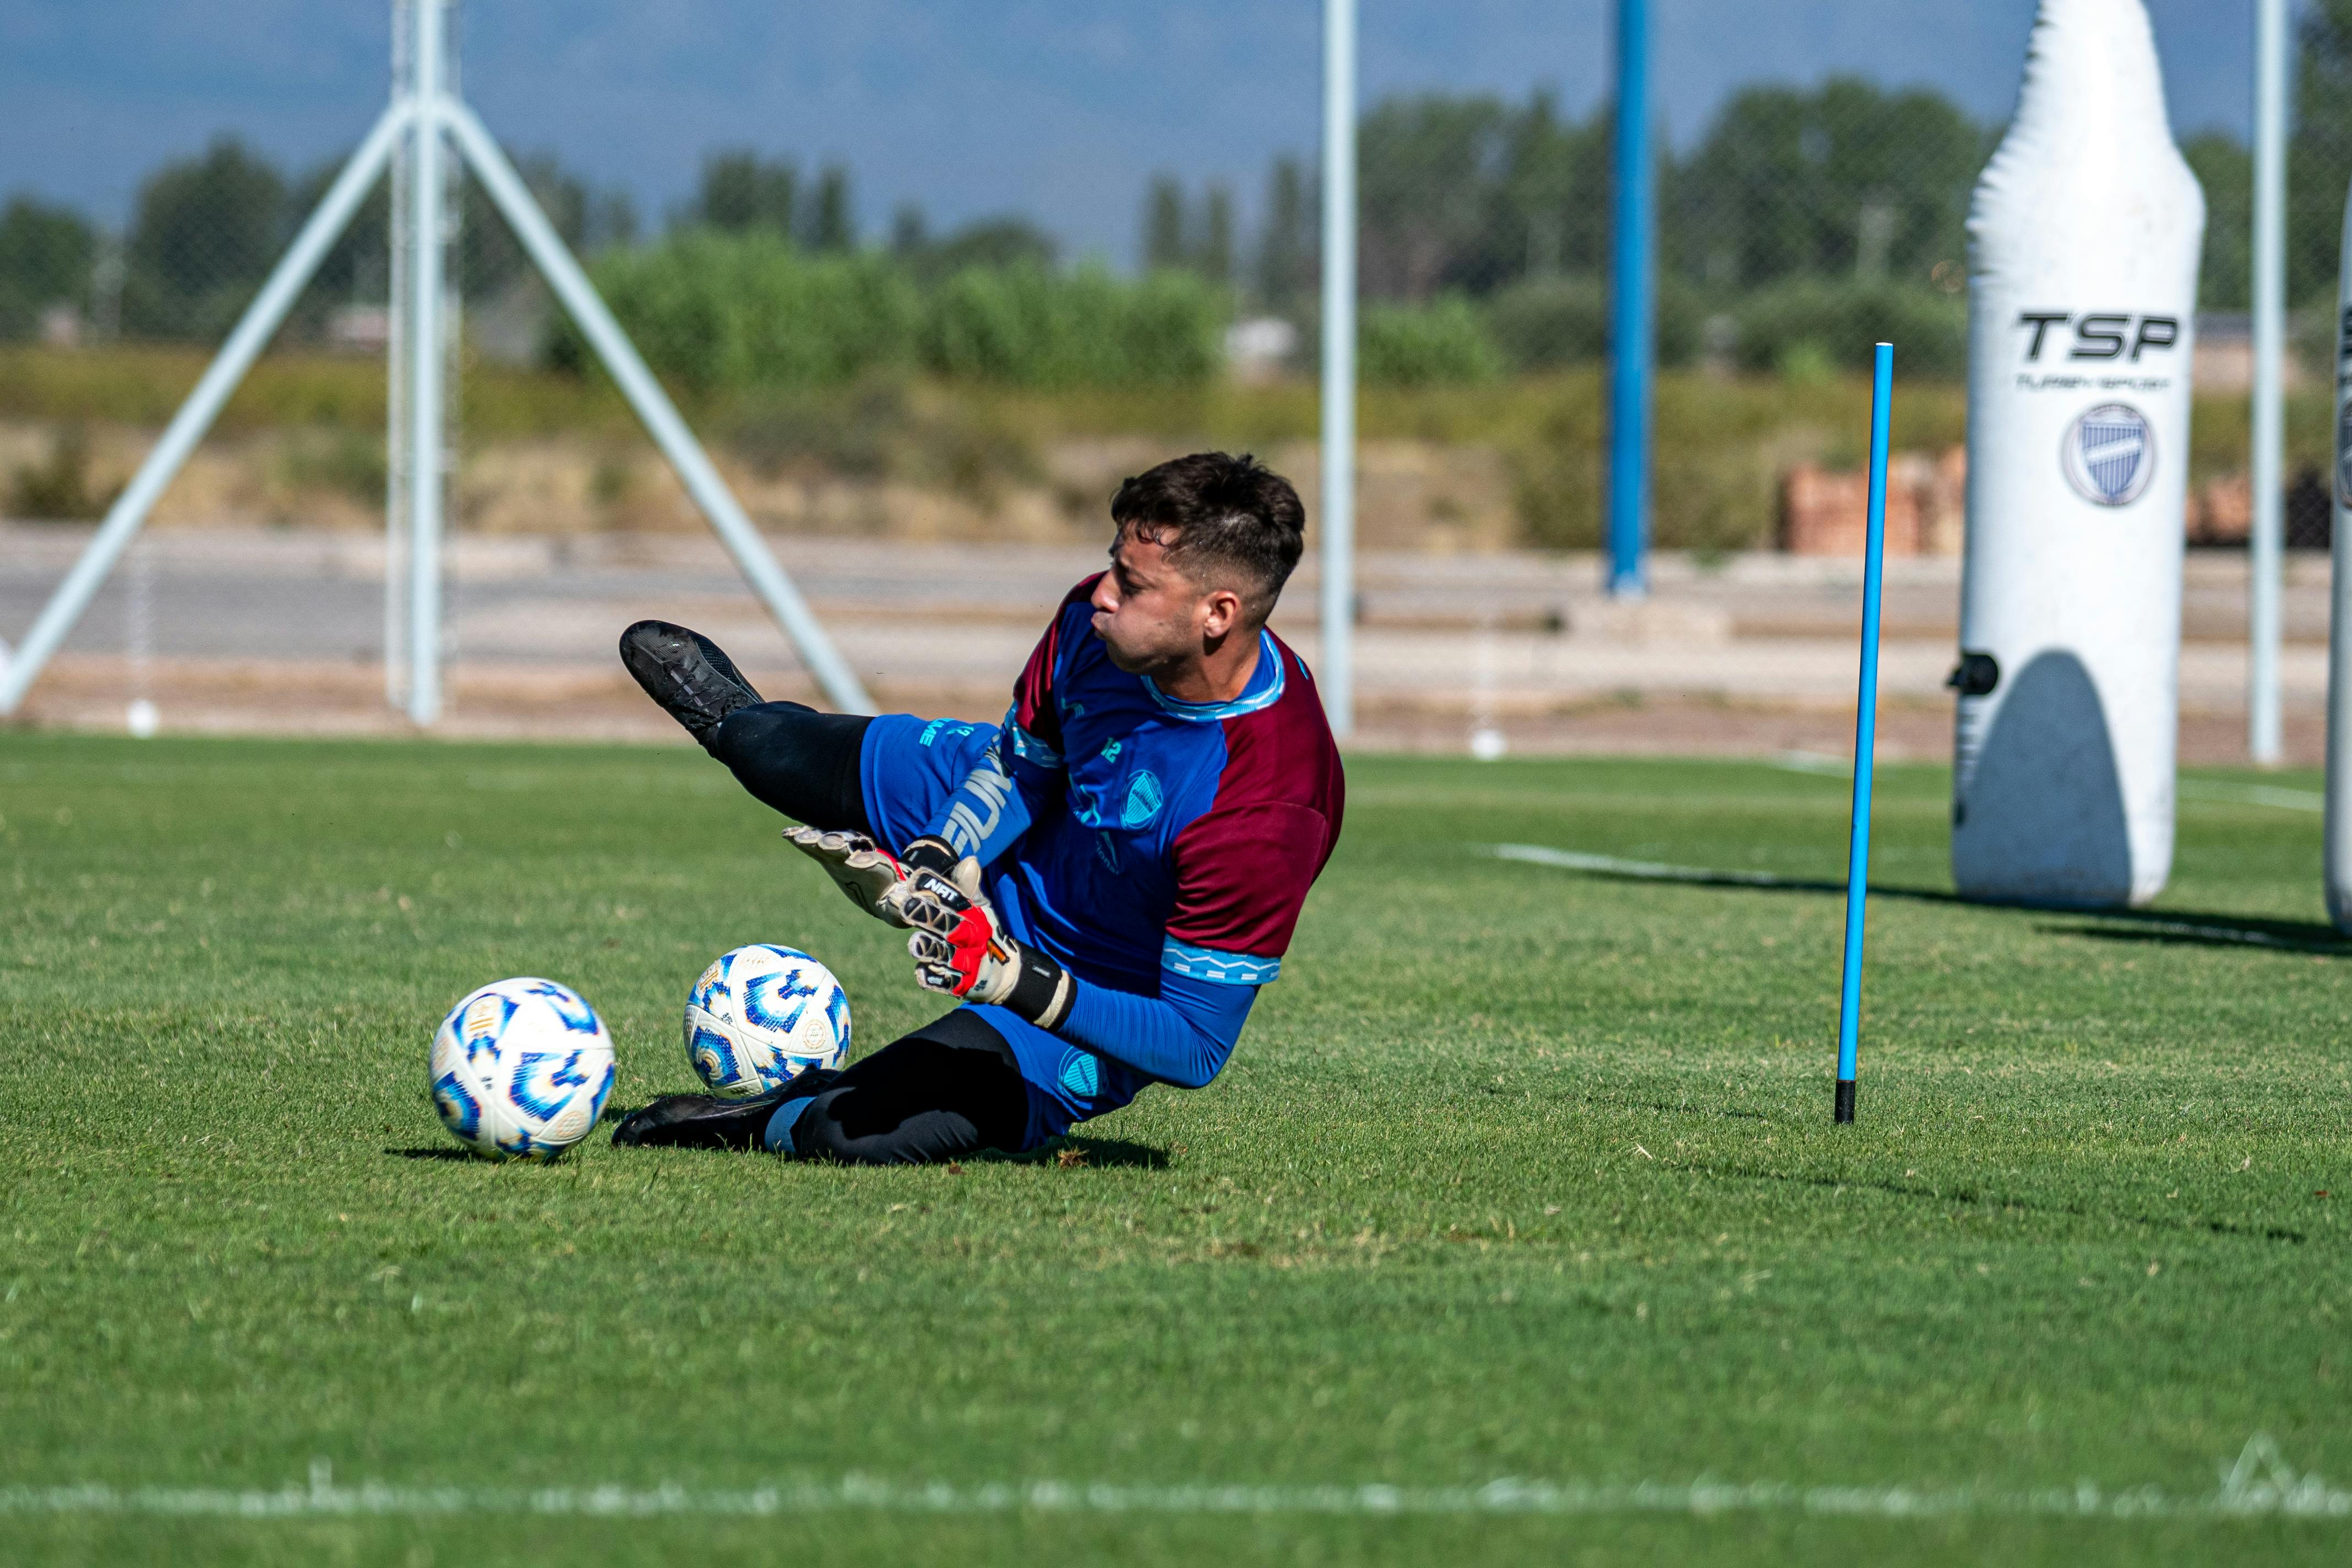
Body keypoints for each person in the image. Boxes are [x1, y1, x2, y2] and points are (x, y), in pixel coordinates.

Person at [609, 451, 1345, 1164]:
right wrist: (936, 857)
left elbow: (1194, 1044)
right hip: (1043, 816)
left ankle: (775, 1115)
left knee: (848, 1134)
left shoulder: (1267, 809)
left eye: (1133, 584)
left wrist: (1014, 978)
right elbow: (1021, 766)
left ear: (1218, 613)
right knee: (767, 754)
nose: (1102, 594)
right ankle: (738, 724)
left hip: (1098, 978)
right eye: (1113, 566)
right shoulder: (1099, 629)